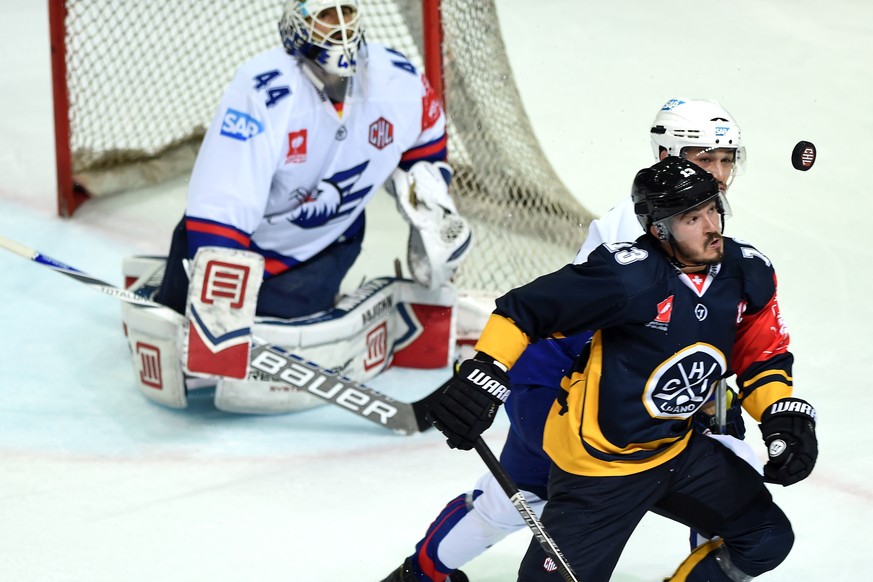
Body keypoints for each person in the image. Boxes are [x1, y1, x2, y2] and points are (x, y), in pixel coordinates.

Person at [382, 98, 751, 582]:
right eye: (705, 159)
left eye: (726, 160)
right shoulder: (644, 229)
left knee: (512, 501)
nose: (720, 174)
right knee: (720, 472)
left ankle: (421, 573)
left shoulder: (683, 216)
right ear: (667, 157)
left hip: (577, 385)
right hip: (571, 391)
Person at [427, 156, 818, 581]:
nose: (711, 226)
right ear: (659, 229)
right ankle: (426, 567)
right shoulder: (626, 276)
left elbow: (760, 355)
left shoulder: (745, 271)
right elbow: (523, 311)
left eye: (712, 210)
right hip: (599, 469)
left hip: (676, 451)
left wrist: (779, 413)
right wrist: (485, 373)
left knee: (765, 537)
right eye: (692, 218)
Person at [121, 1, 471, 412]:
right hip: (246, 245)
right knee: (188, 339)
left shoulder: (399, 79)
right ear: (298, 22)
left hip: (321, 247)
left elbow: (425, 143)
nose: (338, 25)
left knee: (276, 333)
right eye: (324, 14)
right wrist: (217, 299)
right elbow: (224, 197)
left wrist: (430, 207)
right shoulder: (264, 89)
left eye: (346, 11)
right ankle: (178, 289)